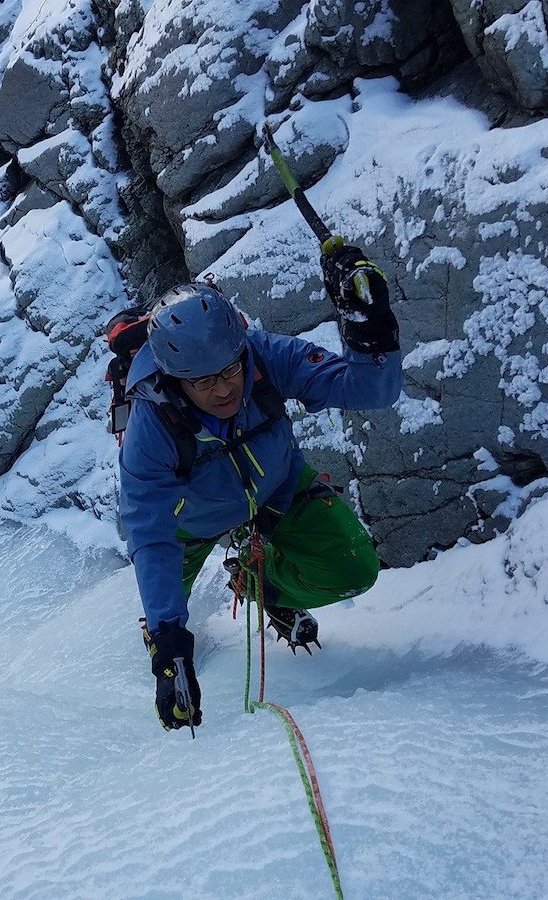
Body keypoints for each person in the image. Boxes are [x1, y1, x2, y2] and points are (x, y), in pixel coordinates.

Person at [118, 244, 403, 731]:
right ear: (174, 380)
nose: (226, 388)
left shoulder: (264, 358)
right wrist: (170, 646)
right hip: (188, 524)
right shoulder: (151, 428)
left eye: (231, 369)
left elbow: (371, 390)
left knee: (354, 567)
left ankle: (262, 585)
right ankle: (166, 629)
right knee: (165, 617)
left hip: (277, 489)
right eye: (204, 381)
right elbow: (150, 534)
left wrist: (368, 325)